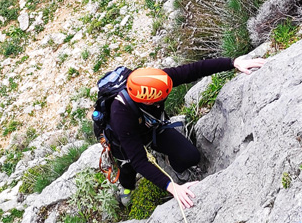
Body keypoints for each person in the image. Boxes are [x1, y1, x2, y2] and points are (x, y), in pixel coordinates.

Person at [108, 54, 264, 210]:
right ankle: (127, 187)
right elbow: (139, 161)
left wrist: (232, 62)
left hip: (153, 127)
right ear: (148, 100)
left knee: (191, 156)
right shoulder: (120, 114)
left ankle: (176, 168)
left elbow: (193, 70)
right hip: (123, 140)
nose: (165, 97)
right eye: (162, 97)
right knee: (128, 167)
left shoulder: (157, 81)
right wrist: (171, 187)